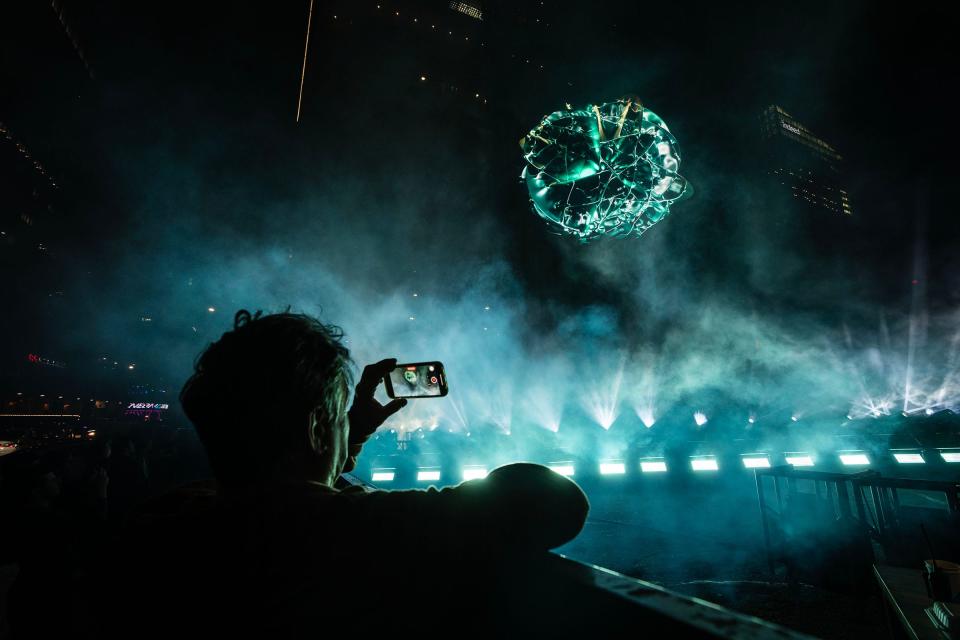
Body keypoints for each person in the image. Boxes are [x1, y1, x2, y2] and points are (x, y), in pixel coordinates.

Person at [99, 310, 589, 637]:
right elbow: (558, 504)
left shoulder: (165, 520)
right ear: (316, 426)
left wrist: (343, 436)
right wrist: (340, 443)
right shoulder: (358, 526)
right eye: (333, 417)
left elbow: (276, 498)